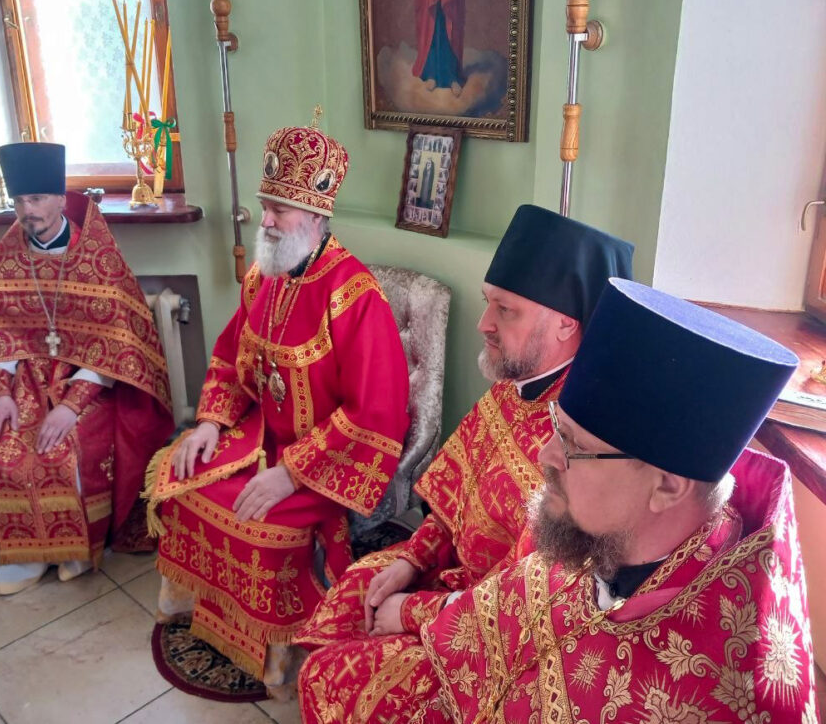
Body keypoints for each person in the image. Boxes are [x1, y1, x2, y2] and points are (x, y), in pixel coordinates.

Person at [299, 278, 819, 723]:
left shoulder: (727, 692)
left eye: (572, 445)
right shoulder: (596, 530)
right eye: (556, 428)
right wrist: (415, 604)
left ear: (667, 486)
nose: (544, 455)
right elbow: (496, 615)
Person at [143, 120, 410, 689]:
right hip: (258, 433)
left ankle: (275, 654)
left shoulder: (356, 298)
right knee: (182, 478)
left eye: (278, 210)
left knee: (255, 518)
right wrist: (209, 423)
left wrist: (291, 473)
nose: (264, 220)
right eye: (265, 206)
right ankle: (197, 608)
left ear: (315, 216)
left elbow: (375, 413)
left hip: (322, 463)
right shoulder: (264, 278)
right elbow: (229, 355)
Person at [296, 205, 633, 650]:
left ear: (565, 324)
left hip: (491, 635)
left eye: (505, 310)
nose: (483, 324)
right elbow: (450, 503)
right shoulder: (512, 386)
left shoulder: (585, 440)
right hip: (447, 578)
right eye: (487, 301)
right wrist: (412, 561)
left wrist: (412, 611)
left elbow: (527, 604)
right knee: (351, 595)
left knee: (341, 672)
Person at [0, 142, 173, 595]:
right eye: (19, 201)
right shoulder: (8, 254)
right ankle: (20, 566)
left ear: (59, 198)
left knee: (63, 445)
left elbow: (119, 342)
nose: (27, 211)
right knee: (0, 448)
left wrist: (71, 406)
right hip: (23, 378)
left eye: (36, 199)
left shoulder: (96, 254)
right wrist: (0, 394)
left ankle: (73, 554)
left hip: (89, 381)